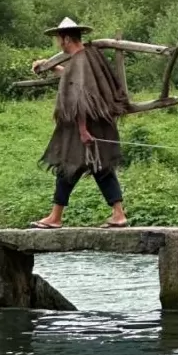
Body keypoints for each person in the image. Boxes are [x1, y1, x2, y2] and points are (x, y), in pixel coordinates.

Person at [30, 16, 129, 228]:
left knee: (68, 166)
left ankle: (55, 217)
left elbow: (81, 98)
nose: (58, 43)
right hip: (97, 124)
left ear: (66, 39)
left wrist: (83, 130)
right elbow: (74, 78)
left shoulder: (81, 60)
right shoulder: (87, 57)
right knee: (99, 167)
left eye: (59, 39)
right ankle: (118, 214)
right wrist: (51, 68)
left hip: (84, 127)